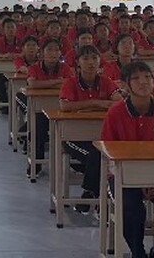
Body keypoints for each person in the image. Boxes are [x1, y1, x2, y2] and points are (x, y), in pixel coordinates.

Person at [101, 61, 154, 258]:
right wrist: (137, 182)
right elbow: (108, 153)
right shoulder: (115, 113)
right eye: (136, 79)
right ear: (125, 85)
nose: (143, 82)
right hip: (121, 178)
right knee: (131, 210)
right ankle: (137, 252)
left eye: (147, 77)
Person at [59, 45, 122, 212]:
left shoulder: (105, 81)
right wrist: (97, 103)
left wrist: (84, 107)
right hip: (73, 138)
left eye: (94, 58)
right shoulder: (70, 82)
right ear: (78, 63)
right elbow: (65, 107)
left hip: (101, 137)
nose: (91, 62)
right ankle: (92, 194)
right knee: (98, 156)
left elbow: (117, 102)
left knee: (102, 153)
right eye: (85, 59)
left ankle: (93, 195)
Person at [26, 38, 74, 177]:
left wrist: (46, 83)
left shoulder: (65, 68)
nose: (53, 53)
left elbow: (68, 84)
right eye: (49, 50)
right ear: (42, 53)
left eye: (56, 50)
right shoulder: (34, 68)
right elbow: (33, 84)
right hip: (41, 109)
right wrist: (56, 82)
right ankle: (36, 163)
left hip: (62, 109)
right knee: (38, 127)